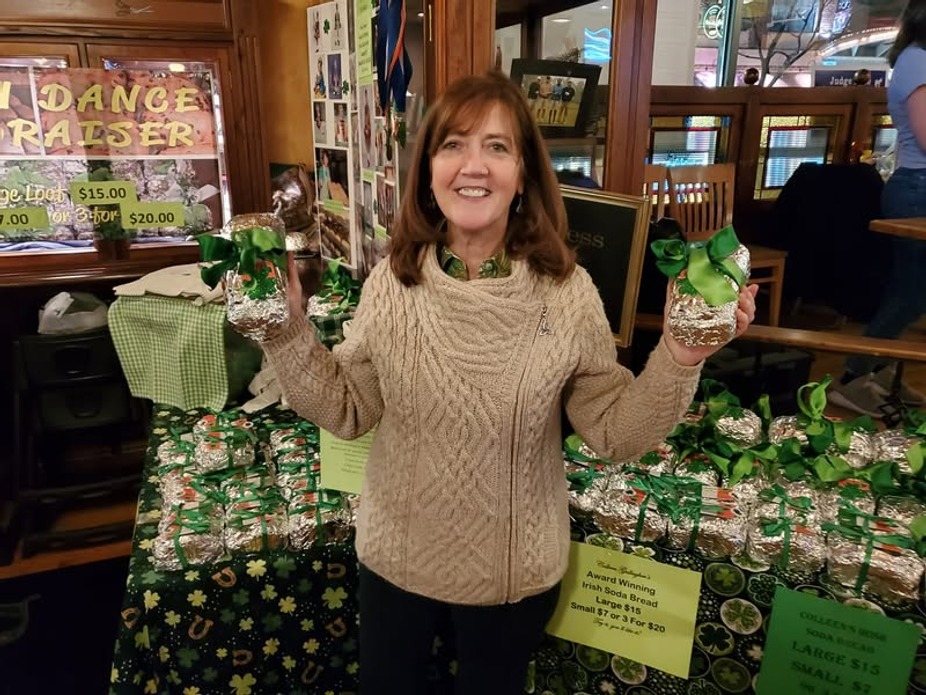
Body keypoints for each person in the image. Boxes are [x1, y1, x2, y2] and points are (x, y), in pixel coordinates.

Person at [252, 71, 756, 694]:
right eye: (453, 145)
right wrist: (285, 330)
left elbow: (613, 433)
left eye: (497, 147)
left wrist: (680, 356)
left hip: (514, 574)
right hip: (396, 560)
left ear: (523, 175)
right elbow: (349, 410)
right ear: (429, 171)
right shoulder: (392, 284)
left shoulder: (567, 294)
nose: (474, 166)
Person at [830, 0, 926, 417]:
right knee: (911, 293)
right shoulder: (917, 60)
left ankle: (878, 372)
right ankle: (853, 376)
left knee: (912, 292)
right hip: (917, 187)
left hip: (917, 184)